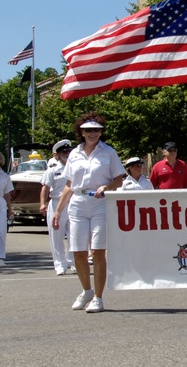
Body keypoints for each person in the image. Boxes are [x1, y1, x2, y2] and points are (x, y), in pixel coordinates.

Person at [52, 113, 125, 314]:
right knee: (78, 251)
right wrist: (58, 211)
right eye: (88, 130)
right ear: (81, 132)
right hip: (77, 203)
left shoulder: (108, 152)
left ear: (101, 132)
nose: (92, 133)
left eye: (96, 130)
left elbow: (119, 179)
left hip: (100, 203)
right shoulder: (74, 154)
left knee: (98, 251)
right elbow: (69, 184)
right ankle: (86, 291)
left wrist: (107, 187)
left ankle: (98, 297)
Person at [41, 140, 74, 275]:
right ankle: (60, 264)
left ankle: (73, 262)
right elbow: (45, 187)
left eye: (68, 151)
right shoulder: (52, 170)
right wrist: (42, 203)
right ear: (58, 155)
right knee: (57, 236)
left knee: (75, 235)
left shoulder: (76, 168)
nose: (67, 154)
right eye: (64, 152)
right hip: (56, 203)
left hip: (73, 203)